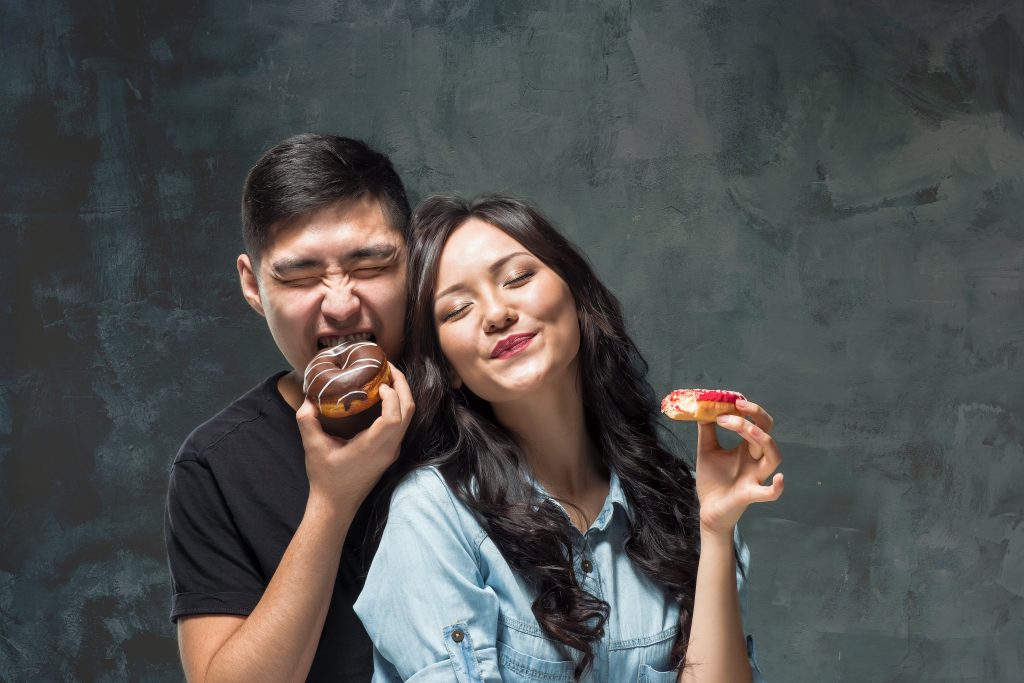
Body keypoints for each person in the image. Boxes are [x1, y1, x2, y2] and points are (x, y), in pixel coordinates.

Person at [354, 195, 784, 682]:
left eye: (517, 278)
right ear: (448, 369)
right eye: (457, 310)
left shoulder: (681, 499)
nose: (496, 313)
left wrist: (715, 531)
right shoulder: (432, 514)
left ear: (577, 298)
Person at [164, 134, 416, 682]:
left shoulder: (485, 404)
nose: (342, 304)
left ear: (413, 261)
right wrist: (330, 501)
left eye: (370, 265)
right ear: (253, 286)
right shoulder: (215, 465)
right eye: (299, 276)